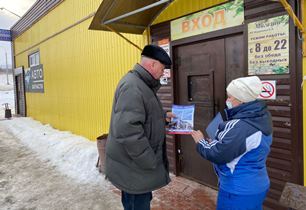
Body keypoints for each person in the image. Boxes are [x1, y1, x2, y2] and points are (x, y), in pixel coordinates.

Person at [105, 44, 174, 210]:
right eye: (162, 68)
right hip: (135, 166)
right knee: (137, 205)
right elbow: (127, 131)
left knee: (138, 202)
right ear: (152, 65)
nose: (163, 72)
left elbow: (141, 118)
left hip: (135, 166)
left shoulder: (141, 85)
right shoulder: (133, 87)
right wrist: (148, 160)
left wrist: (163, 118)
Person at [191, 76, 272, 210]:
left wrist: (201, 142)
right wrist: (222, 142)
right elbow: (241, 145)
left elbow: (218, 154)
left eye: (230, 97)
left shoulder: (240, 126)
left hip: (238, 190)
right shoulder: (261, 116)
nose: (227, 100)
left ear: (241, 100)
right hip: (258, 183)